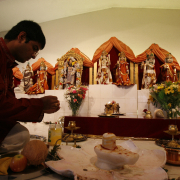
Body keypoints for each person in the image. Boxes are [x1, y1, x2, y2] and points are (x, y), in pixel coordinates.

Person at [0, 20, 60, 153]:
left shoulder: (8, 65)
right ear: (22, 37)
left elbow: (9, 103)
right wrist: (39, 105)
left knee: (19, 135)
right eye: (34, 48)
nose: (33, 56)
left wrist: (40, 107)